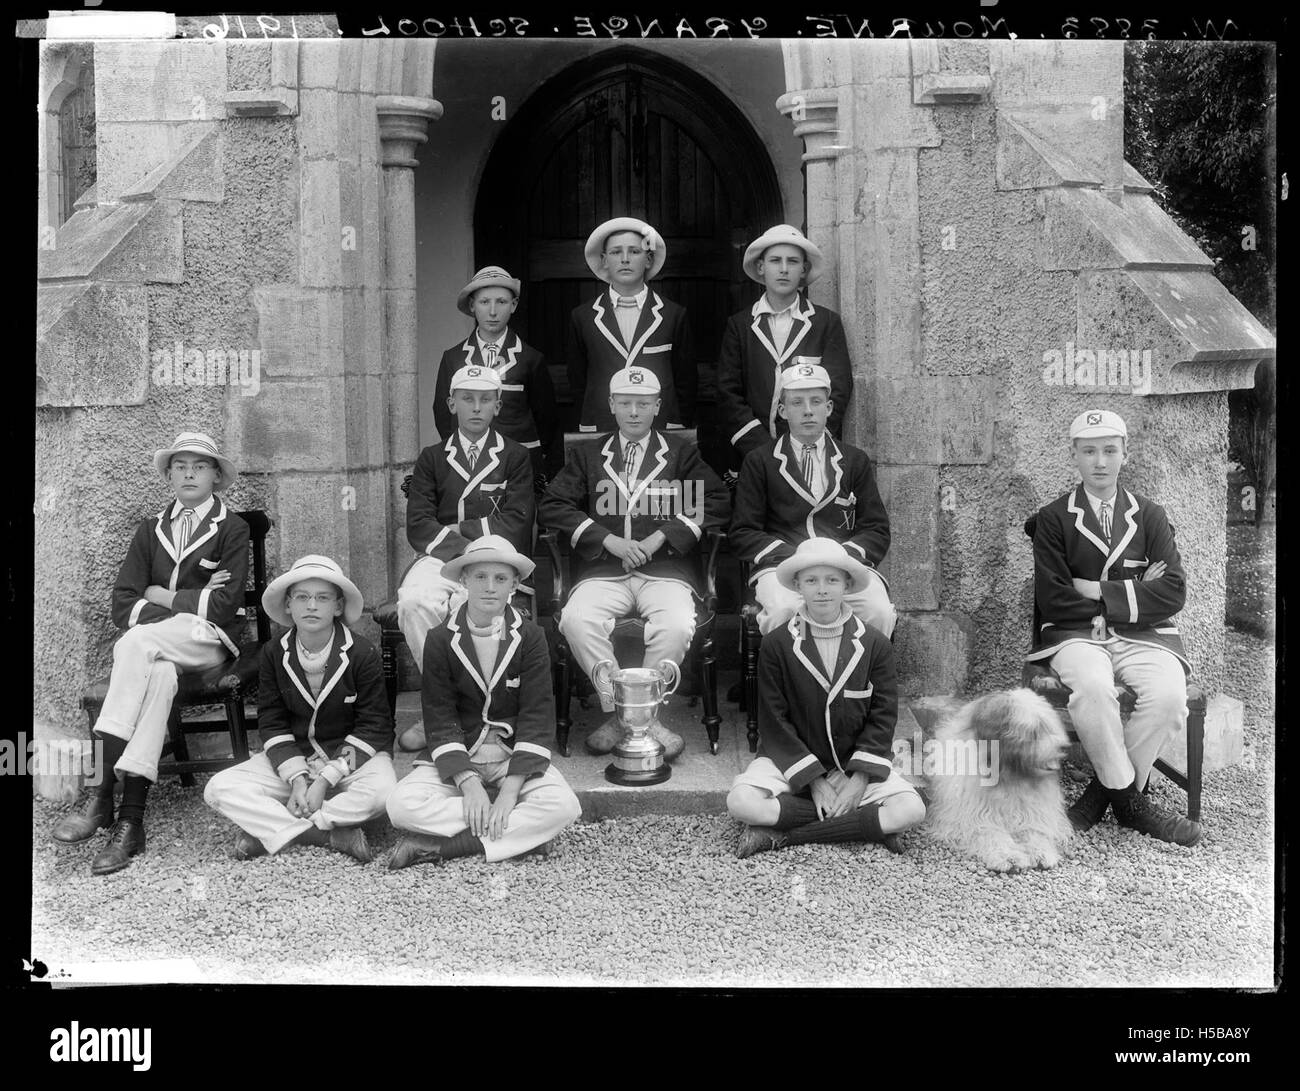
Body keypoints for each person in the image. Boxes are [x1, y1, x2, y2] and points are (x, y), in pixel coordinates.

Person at [51, 432, 249, 875]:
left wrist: (161, 593)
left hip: (207, 639)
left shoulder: (232, 528)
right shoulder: (151, 529)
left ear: (216, 476)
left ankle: (102, 792)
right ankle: (131, 821)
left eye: (200, 466)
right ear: (169, 475)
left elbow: (223, 606)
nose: (189, 474)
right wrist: (189, 597)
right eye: (180, 466)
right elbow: (122, 603)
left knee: (134, 642)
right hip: (160, 642)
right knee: (158, 675)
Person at [1027, 409, 1201, 846]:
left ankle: (1100, 797)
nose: (1100, 462)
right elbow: (1054, 598)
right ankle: (1132, 806)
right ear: (1074, 455)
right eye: (1089, 451)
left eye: (1109, 450)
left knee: (1169, 698)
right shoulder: (1053, 518)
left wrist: (1095, 590)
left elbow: (1173, 592)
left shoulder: (1150, 515)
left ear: (1126, 453)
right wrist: (1135, 591)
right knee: (1092, 688)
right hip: (1075, 634)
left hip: (1145, 636)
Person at [540, 366, 730, 759]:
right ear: (611, 404)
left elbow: (715, 500)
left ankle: (637, 716)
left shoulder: (679, 454)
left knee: (676, 624)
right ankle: (627, 712)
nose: (633, 412)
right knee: (576, 620)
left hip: (664, 572)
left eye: (643, 404)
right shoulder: (588, 455)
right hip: (604, 572)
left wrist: (661, 536)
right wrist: (607, 539)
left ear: (657, 406)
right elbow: (553, 505)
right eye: (625, 403)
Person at [386, 536, 581, 869]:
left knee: (564, 806)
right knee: (400, 805)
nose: (490, 587)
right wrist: (469, 783)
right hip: (463, 753)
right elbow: (439, 715)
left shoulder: (531, 637)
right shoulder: (440, 638)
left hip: (510, 757)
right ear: (463, 581)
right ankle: (520, 832)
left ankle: (448, 846)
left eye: (501, 578)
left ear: (514, 586)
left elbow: (537, 716)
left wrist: (510, 792)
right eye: (480, 577)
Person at [726, 537, 925, 858]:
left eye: (832, 580)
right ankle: (869, 824)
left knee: (912, 809)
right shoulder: (777, 644)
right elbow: (774, 720)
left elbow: (884, 715)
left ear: (847, 584)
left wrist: (859, 779)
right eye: (811, 581)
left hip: (852, 762)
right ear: (797, 586)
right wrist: (815, 780)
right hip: (793, 760)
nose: (822, 590)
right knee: (741, 802)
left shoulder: (874, 643)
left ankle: (783, 835)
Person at [203, 555, 396, 863]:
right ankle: (324, 833)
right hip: (297, 757)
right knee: (219, 788)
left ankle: (275, 828)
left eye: (323, 598)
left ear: (338, 606)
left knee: (384, 792)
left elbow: (375, 726)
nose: (311, 606)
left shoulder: (361, 652)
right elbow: (272, 722)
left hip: (349, 761)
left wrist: (325, 780)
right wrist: (297, 779)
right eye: (302, 597)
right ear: (288, 605)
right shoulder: (273, 652)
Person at [395, 363, 536, 752]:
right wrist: (461, 542)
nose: (476, 407)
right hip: (439, 555)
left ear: (497, 406)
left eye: (485, 400)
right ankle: (443, 708)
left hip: (494, 556)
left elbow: (517, 521)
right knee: (415, 602)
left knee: (477, 607)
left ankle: (481, 712)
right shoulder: (432, 457)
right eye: (467, 399)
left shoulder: (515, 456)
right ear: (451, 403)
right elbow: (419, 525)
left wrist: (466, 531)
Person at [730, 363, 895, 638]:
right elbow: (743, 532)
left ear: (829, 408)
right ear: (783, 411)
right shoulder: (760, 461)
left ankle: (861, 668)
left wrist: (840, 558)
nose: (808, 410)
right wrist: (797, 558)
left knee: (878, 611)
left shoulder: (854, 460)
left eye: (816, 401)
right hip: (783, 567)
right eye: (797, 402)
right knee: (783, 610)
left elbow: (876, 529)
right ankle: (788, 668)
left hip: (844, 567)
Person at [716, 224, 853, 462]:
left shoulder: (825, 323)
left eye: (792, 261)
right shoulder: (740, 325)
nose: (783, 269)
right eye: (775, 261)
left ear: (804, 269)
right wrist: (761, 450)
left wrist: (806, 443)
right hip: (755, 455)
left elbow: (838, 389)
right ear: (761, 267)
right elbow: (728, 392)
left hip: (811, 452)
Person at [567, 216, 695, 434]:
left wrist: (679, 426)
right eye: (616, 252)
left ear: (648, 259)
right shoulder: (583, 317)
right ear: (604, 260)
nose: (625, 259)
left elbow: (686, 382)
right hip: (601, 427)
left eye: (634, 251)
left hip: (661, 427)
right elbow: (578, 382)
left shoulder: (673, 315)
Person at [432, 265, 557, 485]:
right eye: (484, 302)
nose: (492, 311)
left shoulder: (530, 358)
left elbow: (546, 419)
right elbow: (443, 414)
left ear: (513, 305)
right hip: (468, 463)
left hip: (519, 465)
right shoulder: (453, 358)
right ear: (472, 305)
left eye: (501, 302)